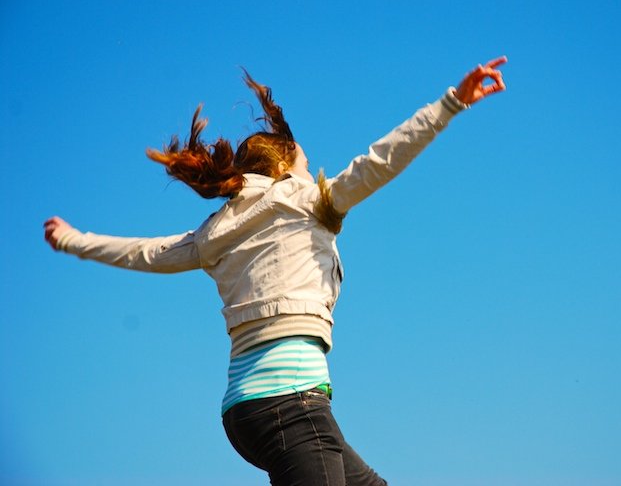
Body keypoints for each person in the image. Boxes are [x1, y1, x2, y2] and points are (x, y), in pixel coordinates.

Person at [44, 57, 507, 486]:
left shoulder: (213, 234)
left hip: (246, 410)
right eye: (306, 164)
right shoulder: (304, 202)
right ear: (285, 169)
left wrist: (72, 239)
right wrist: (450, 104)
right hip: (291, 402)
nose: (312, 172)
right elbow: (381, 161)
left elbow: (144, 253)